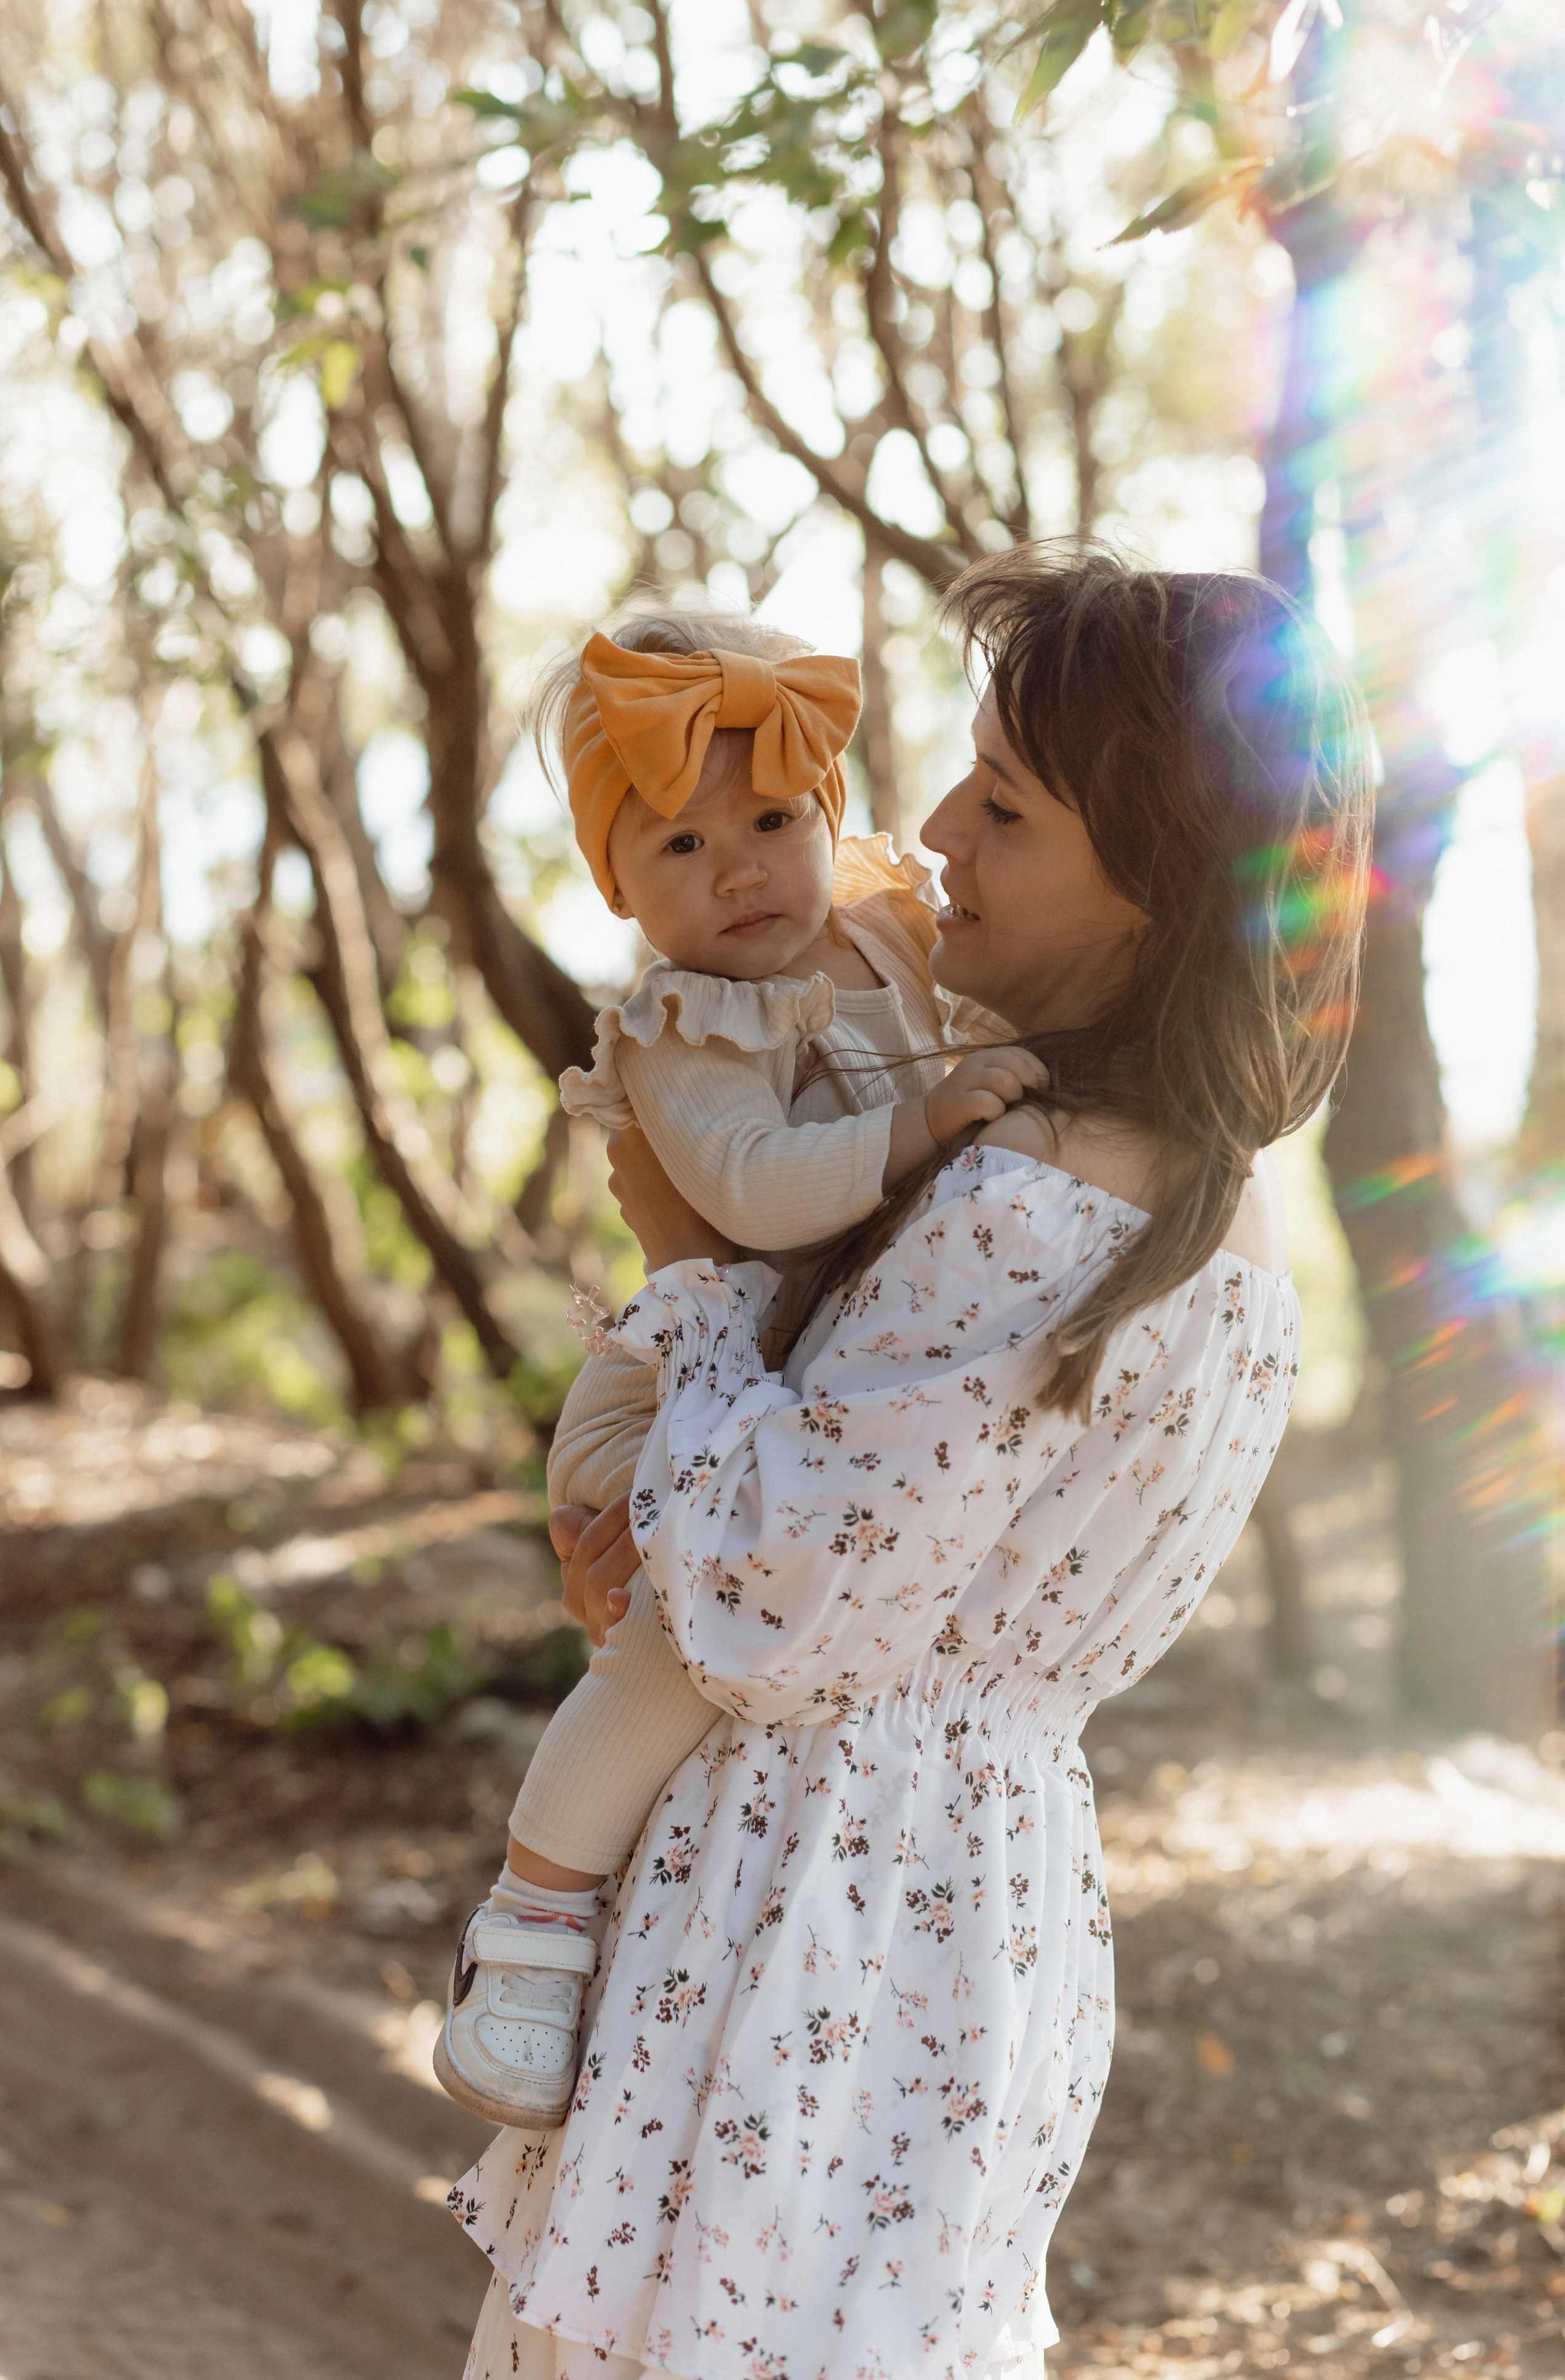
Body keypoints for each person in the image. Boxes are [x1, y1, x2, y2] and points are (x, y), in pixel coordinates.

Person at [446, 550, 1373, 2380]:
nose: (934, 825)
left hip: (817, 1911)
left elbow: (775, 1607)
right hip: (984, 1909)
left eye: (1007, 808)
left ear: (1158, 887)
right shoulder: (1214, 1208)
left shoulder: (1037, 1201)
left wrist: (695, 1278)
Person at [433, 610, 1039, 2130]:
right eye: (682, 848)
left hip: (792, 1396)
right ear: (615, 885)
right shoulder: (685, 1023)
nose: (740, 871)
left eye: (771, 821)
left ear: (829, 809)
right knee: (675, 1651)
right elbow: (759, 1192)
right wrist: (918, 1128)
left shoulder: (900, 929)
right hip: (670, 1403)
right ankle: (529, 1930)